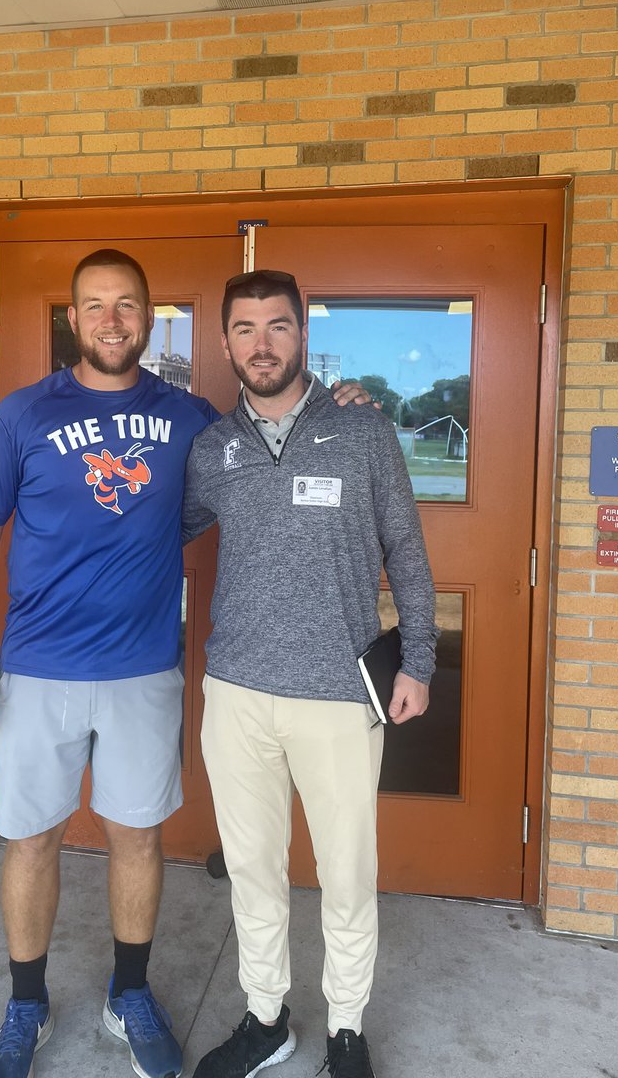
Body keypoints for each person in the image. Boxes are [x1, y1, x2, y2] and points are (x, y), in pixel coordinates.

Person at [0, 250, 370, 1078]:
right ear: (73, 318)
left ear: (150, 317)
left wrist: (343, 403)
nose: (111, 320)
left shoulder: (190, 419)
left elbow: (272, 438)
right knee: (31, 840)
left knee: (136, 836)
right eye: (95, 306)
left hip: (144, 666)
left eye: (128, 305)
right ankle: (25, 1004)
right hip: (39, 666)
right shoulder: (23, 415)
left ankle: (128, 991)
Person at [182, 270, 438, 1078]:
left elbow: (408, 553)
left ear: (303, 336)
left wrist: (421, 661)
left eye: (279, 326)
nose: (262, 344)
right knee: (254, 870)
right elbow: (153, 533)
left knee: (347, 873)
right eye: (246, 329)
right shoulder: (211, 450)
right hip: (238, 693)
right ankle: (266, 1018)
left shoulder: (363, 431)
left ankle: (348, 1029)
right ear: (225, 343)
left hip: (338, 694)